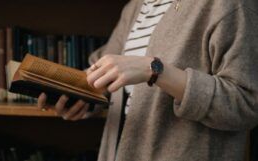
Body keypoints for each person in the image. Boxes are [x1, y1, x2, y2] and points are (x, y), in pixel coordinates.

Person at [38, 0, 258, 160]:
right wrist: (79, 97)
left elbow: (247, 104)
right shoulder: (136, 7)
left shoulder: (230, 4)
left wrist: (154, 70)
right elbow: (102, 75)